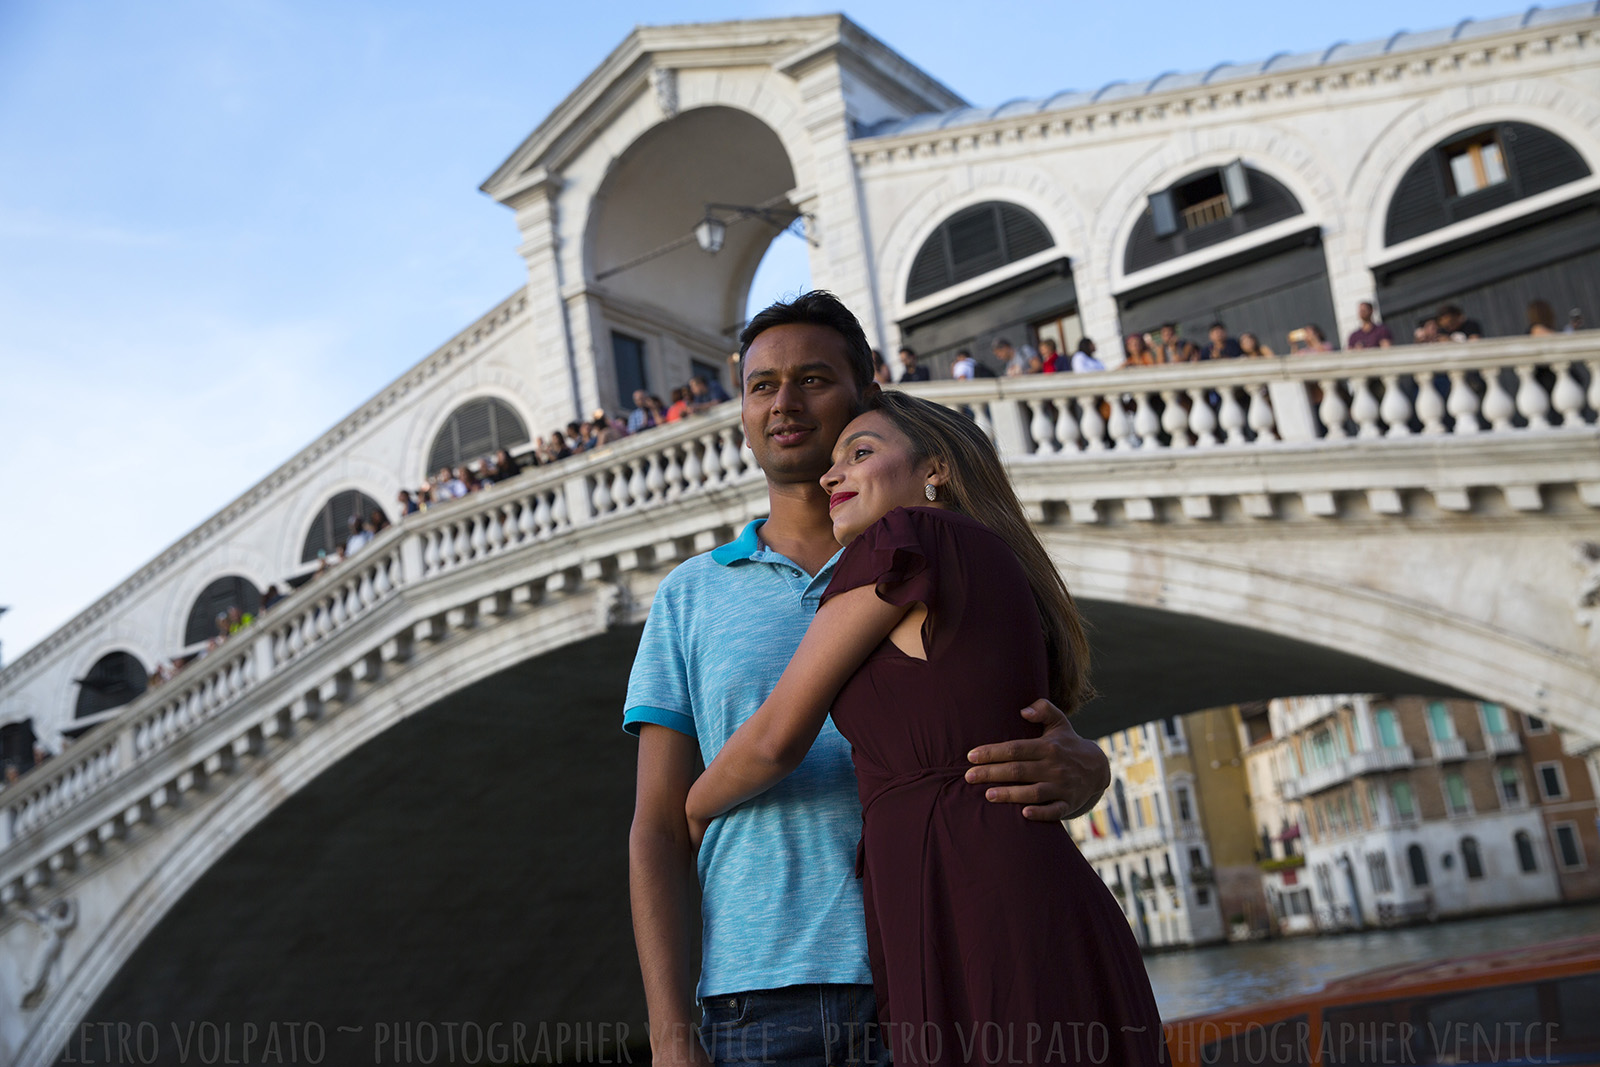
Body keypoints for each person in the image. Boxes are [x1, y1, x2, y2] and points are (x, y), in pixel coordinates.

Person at [625, 291, 1112, 1067]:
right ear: (743, 414)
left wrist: (1090, 766)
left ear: (868, 393)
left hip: (943, 961)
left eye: (813, 379)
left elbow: (1006, 717)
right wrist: (668, 1035)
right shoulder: (691, 595)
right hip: (766, 992)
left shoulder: (936, 556)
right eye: (761, 386)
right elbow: (655, 826)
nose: (784, 402)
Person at [684, 390, 1169, 1066]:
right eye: (832, 461)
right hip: (1000, 877)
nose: (831, 475)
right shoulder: (988, 559)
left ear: (935, 467)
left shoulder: (907, 536)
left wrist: (694, 808)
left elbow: (775, 737)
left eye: (861, 453)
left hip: (964, 886)